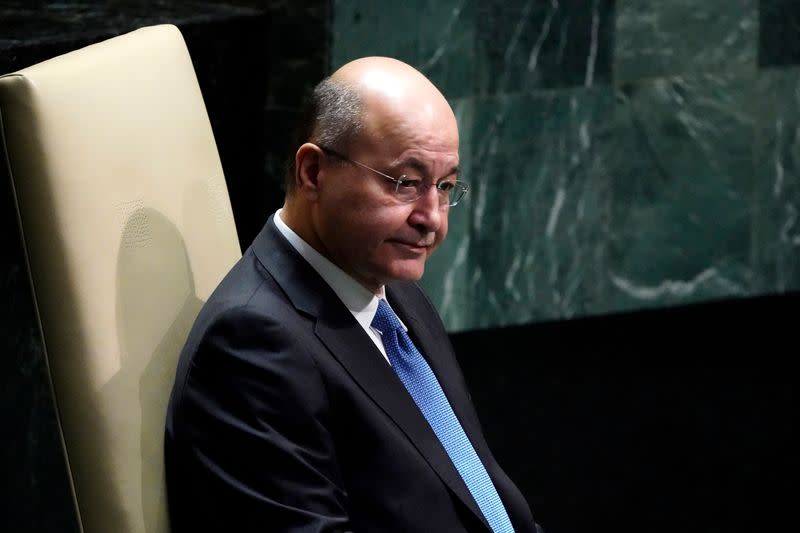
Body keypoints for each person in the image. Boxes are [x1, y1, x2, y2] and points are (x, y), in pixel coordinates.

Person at [164, 56, 539, 533]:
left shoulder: (394, 292)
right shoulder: (252, 345)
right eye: (406, 182)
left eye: (444, 187)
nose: (432, 218)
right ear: (313, 173)